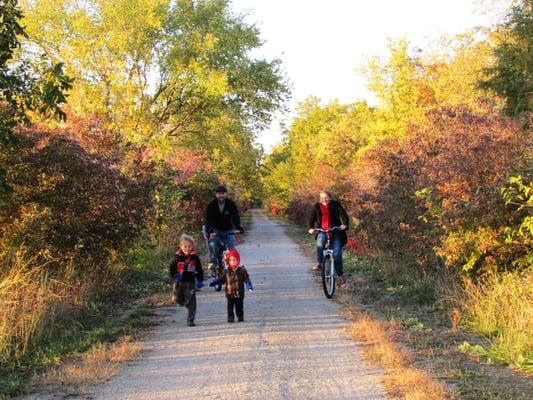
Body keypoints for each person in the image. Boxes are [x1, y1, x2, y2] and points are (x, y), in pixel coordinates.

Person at [308, 190, 349, 284]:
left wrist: (344, 225)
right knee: (320, 242)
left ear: (330, 197)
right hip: (322, 231)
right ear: (320, 199)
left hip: (335, 231)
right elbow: (311, 219)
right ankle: (320, 264)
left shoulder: (335, 205)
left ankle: (339, 275)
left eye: (326, 197)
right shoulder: (317, 207)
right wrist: (310, 228)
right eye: (322, 198)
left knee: (337, 253)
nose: (324, 199)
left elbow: (344, 216)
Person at [205, 185, 244, 269]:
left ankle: (233, 267)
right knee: (213, 245)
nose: (221, 195)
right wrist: (210, 231)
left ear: (226, 194)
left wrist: (238, 227)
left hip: (228, 230)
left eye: (223, 193)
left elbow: (235, 217)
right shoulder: (211, 205)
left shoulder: (231, 204)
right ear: (216, 195)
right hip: (216, 230)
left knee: (231, 250)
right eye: (219, 194)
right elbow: (208, 219)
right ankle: (213, 263)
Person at [168, 234, 204, 327]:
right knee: (177, 298)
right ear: (181, 246)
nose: (187, 249)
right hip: (179, 281)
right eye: (185, 246)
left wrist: (200, 280)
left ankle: (190, 319)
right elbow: (171, 268)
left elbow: (199, 269)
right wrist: (175, 276)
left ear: (192, 247)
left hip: (190, 281)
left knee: (192, 300)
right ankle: (184, 303)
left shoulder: (194, 257)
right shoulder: (177, 257)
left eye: (189, 246)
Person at [209, 248, 253, 322]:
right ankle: (230, 317)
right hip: (230, 293)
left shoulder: (242, 270)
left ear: (238, 260)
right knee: (230, 307)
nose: (233, 262)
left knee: (239, 307)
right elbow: (222, 279)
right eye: (231, 260)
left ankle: (240, 316)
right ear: (228, 261)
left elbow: (246, 278)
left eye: (234, 260)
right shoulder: (226, 271)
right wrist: (215, 282)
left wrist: (249, 285)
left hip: (240, 293)